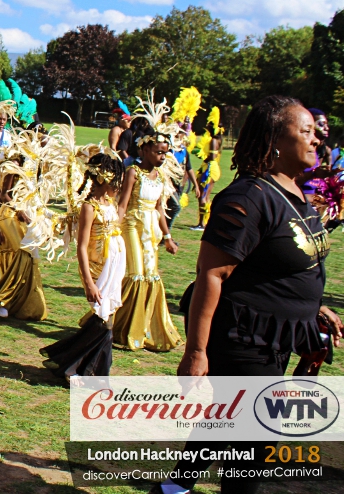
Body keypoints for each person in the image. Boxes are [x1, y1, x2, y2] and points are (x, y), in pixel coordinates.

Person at [156, 96, 343, 494]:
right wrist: (196, 353)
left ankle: (174, 487)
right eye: (305, 131)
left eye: (316, 132)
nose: (317, 140)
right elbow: (211, 274)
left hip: (275, 336)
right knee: (254, 442)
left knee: (227, 424)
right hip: (241, 337)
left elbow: (286, 263)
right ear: (275, 139)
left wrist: (314, 306)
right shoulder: (248, 197)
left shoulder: (295, 193)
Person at [41, 153, 126, 379]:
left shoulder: (111, 204)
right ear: (101, 180)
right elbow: (82, 246)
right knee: (104, 324)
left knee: (105, 322)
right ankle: (80, 369)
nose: (118, 185)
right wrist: (89, 282)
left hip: (114, 268)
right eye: (115, 180)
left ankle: (73, 366)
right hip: (99, 269)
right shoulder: (89, 207)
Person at [112, 127, 182, 351]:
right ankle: (123, 326)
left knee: (152, 275)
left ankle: (144, 327)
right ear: (144, 150)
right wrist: (113, 229)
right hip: (132, 224)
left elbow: (161, 208)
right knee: (136, 273)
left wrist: (168, 237)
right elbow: (122, 204)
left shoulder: (161, 176)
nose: (162, 156)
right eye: (158, 152)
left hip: (151, 228)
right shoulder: (133, 172)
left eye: (165, 153)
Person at [0, 153, 48, 320]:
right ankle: (2, 300)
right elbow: (2, 194)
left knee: (23, 254)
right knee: (20, 252)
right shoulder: (15, 163)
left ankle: (17, 298)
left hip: (26, 215)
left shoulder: (38, 164)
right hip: (9, 215)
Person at [193, 115, 224, 231]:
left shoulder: (214, 140)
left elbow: (212, 156)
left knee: (203, 196)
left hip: (210, 168)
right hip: (210, 167)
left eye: (209, 124)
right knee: (205, 197)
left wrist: (201, 155)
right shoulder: (216, 139)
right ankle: (205, 221)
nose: (206, 126)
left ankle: (202, 224)